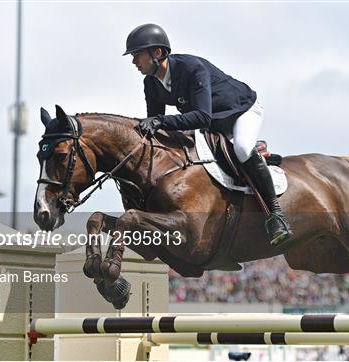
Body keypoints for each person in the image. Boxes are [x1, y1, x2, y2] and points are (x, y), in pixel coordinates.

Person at [123, 23, 291, 246]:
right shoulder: (151, 83)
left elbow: (202, 117)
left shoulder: (192, 68)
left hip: (242, 110)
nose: (134, 62)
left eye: (137, 55)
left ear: (158, 53)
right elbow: (157, 125)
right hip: (213, 121)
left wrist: (161, 121)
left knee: (241, 147)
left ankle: (275, 214)